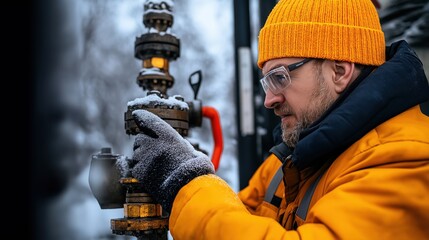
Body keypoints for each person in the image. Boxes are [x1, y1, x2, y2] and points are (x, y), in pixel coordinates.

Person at [127, 0, 429, 239]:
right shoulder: (292, 159)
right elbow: (237, 214)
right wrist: (186, 174)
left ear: (339, 70)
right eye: (266, 82)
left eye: (280, 77)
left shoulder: (407, 158)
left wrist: (184, 183)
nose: (269, 100)